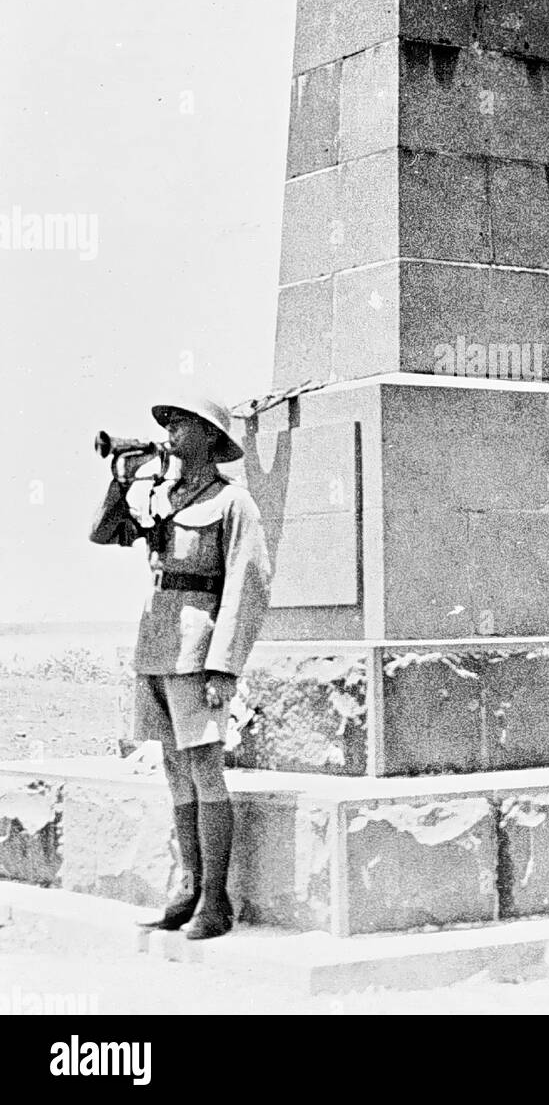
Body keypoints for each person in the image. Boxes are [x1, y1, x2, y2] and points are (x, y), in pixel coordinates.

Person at [90, 392, 271, 940]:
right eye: (166, 423)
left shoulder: (232, 502)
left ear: (211, 438)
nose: (168, 432)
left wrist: (225, 666)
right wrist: (122, 482)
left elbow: (249, 582)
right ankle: (188, 889)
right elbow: (105, 533)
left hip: (198, 650)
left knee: (205, 772)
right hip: (156, 647)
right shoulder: (163, 497)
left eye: (181, 424)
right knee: (175, 773)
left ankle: (215, 902)